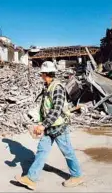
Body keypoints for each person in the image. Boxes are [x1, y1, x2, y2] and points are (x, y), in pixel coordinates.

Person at [15, 61, 84, 190]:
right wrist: (41, 122)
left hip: (58, 127)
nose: (41, 75)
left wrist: (43, 125)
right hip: (48, 127)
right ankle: (31, 178)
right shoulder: (48, 86)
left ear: (45, 73)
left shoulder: (57, 88)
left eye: (42, 73)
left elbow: (56, 109)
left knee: (67, 152)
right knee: (42, 151)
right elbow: (45, 107)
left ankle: (77, 175)